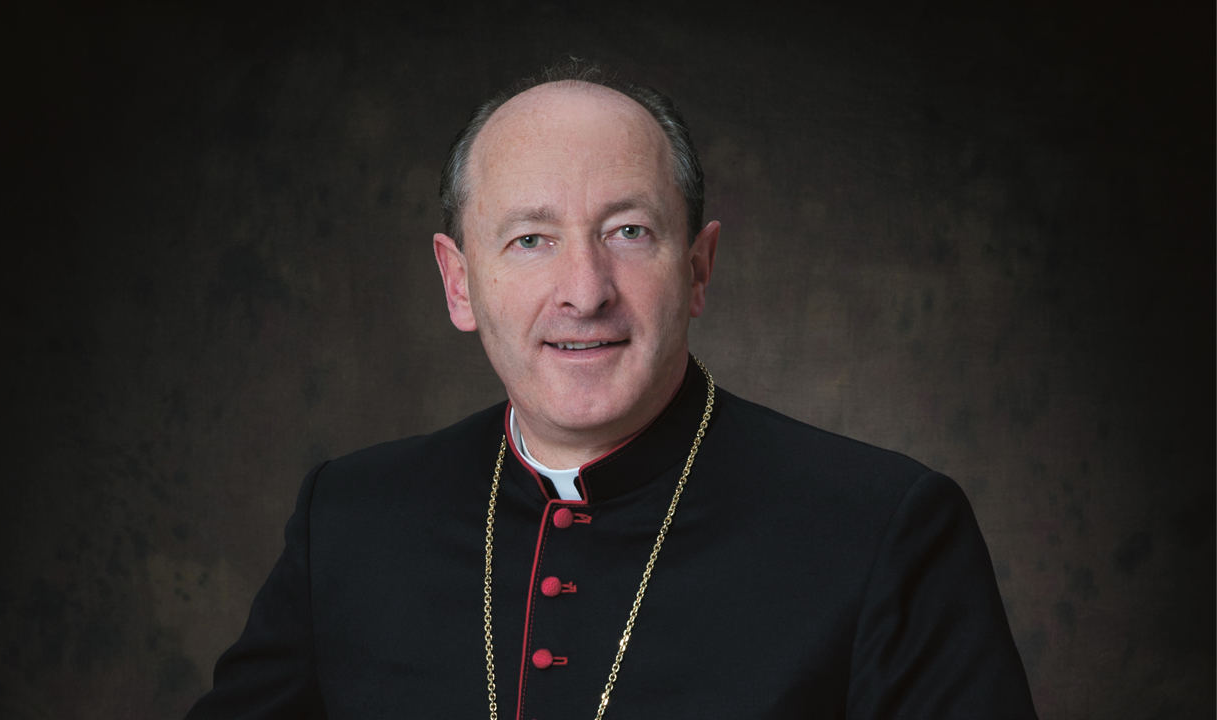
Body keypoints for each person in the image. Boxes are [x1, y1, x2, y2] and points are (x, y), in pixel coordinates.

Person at [186, 60, 1038, 719]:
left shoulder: (886, 528)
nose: (584, 289)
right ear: (457, 282)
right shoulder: (350, 520)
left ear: (698, 268)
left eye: (628, 232)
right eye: (529, 239)